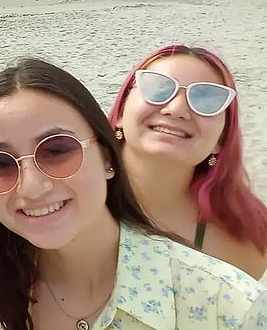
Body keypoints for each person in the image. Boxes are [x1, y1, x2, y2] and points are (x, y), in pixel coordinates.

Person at [0, 58, 266, 330]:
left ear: (107, 156)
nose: (31, 186)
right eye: (0, 164)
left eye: (58, 150)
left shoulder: (229, 307)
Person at [108, 45, 267, 279]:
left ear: (221, 140)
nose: (177, 109)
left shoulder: (244, 238)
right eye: (158, 87)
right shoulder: (67, 196)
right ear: (121, 111)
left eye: (207, 99)